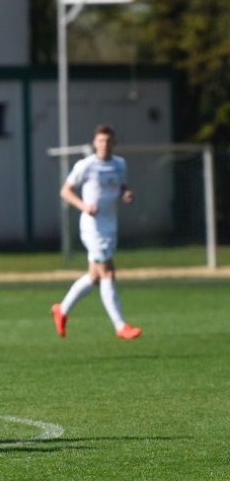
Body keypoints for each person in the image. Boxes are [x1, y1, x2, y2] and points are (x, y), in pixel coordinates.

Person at [52, 124, 142, 340]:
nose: (104, 144)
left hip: (110, 226)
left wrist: (126, 194)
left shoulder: (120, 164)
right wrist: (84, 206)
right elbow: (65, 191)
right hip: (93, 227)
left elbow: (120, 187)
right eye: (101, 140)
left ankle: (61, 310)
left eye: (108, 141)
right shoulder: (86, 165)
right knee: (108, 272)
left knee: (93, 276)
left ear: (114, 143)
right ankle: (120, 326)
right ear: (94, 143)